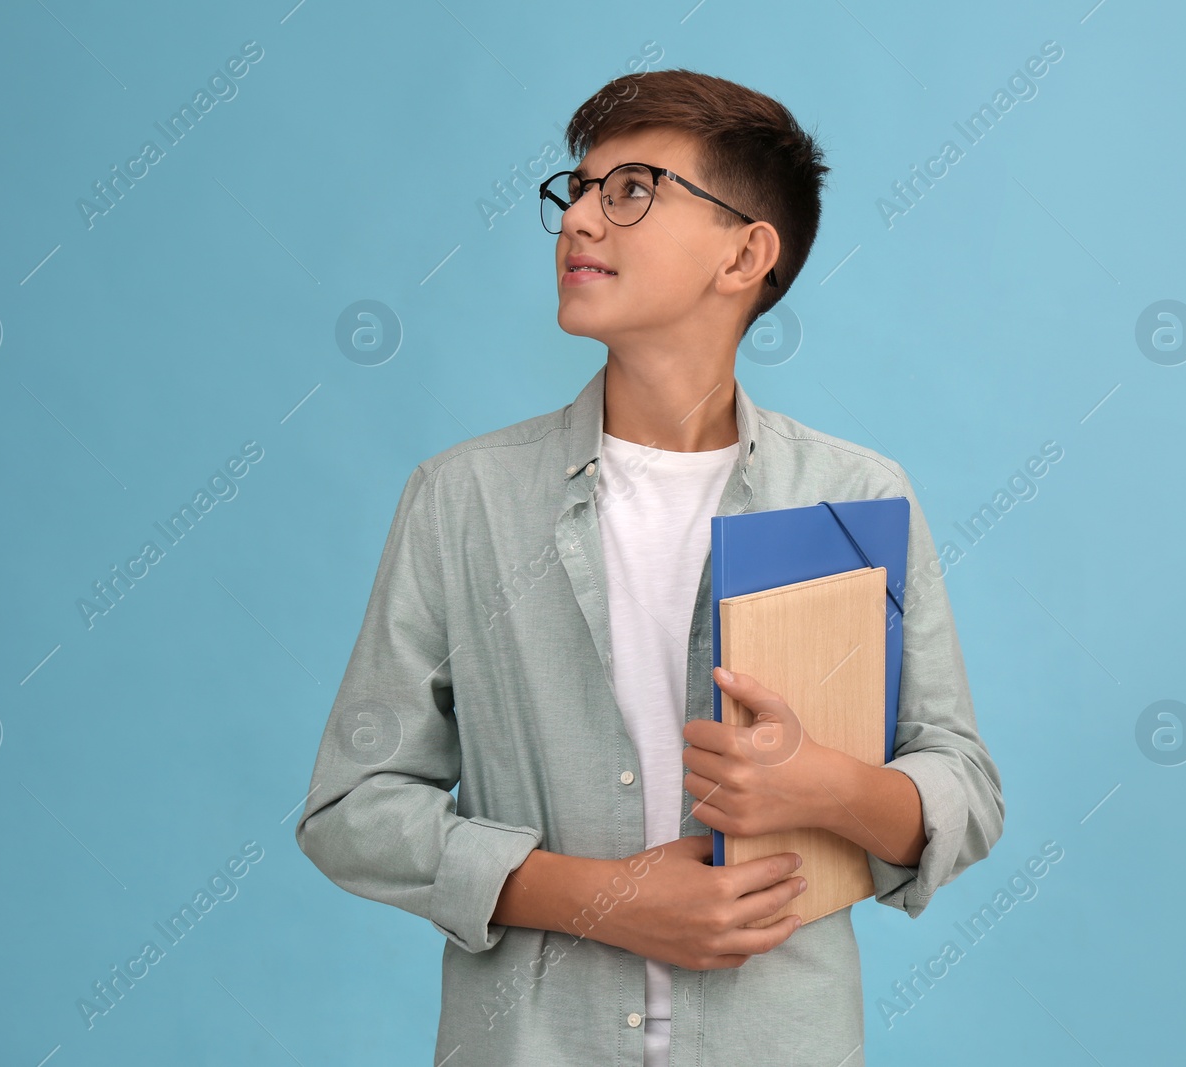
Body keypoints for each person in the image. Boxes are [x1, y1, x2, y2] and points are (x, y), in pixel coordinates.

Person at [297, 68, 1004, 1066]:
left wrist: (824, 785)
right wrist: (606, 899)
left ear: (745, 252)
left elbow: (962, 783)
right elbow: (352, 807)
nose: (579, 219)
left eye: (629, 189)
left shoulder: (852, 497)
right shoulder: (464, 497)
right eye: (575, 190)